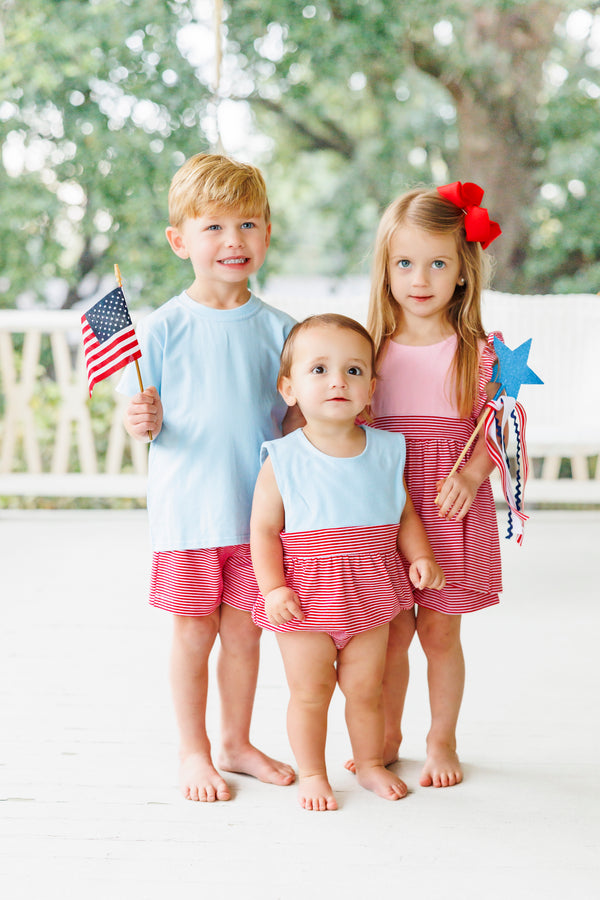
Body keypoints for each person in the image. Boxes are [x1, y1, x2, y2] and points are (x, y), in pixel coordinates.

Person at [118, 153, 298, 802]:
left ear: (268, 234)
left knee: (246, 635)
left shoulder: (283, 331)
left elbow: (297, 422)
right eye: (214, 227)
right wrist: (141, 415)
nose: (233, 240)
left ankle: (236, 740)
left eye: (248, 224)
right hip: (190, 512)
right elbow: (143, 415)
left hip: (258, 518)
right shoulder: (162, 328)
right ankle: (194, 750)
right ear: (179, 240)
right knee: (194, 633)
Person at [250, 314, 445, 811]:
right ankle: (314, 773)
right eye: (319, 369)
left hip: (373, 600)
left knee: (366, 690)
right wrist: (273, 588)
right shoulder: (283, 459)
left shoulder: (385, 450)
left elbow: (403, 512)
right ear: (289, 388)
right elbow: (264, 532)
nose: (338, 379)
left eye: (354, 371)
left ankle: (371, 764)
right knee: (310, 693)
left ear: (371, 389)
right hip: (307, 605)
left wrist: (419, 554)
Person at [362, 181, 503, 789]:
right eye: (405, 263)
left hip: (451, 501)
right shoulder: (369, 350)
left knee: (441, 632)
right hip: (389, 505)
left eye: (438, 263)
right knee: (391, 632)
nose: (421, 278)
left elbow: (502, 428)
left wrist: (473, 472)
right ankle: (387, 734)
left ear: (462, 273)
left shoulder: (479, 352)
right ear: (386, 270)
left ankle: (441, 736)